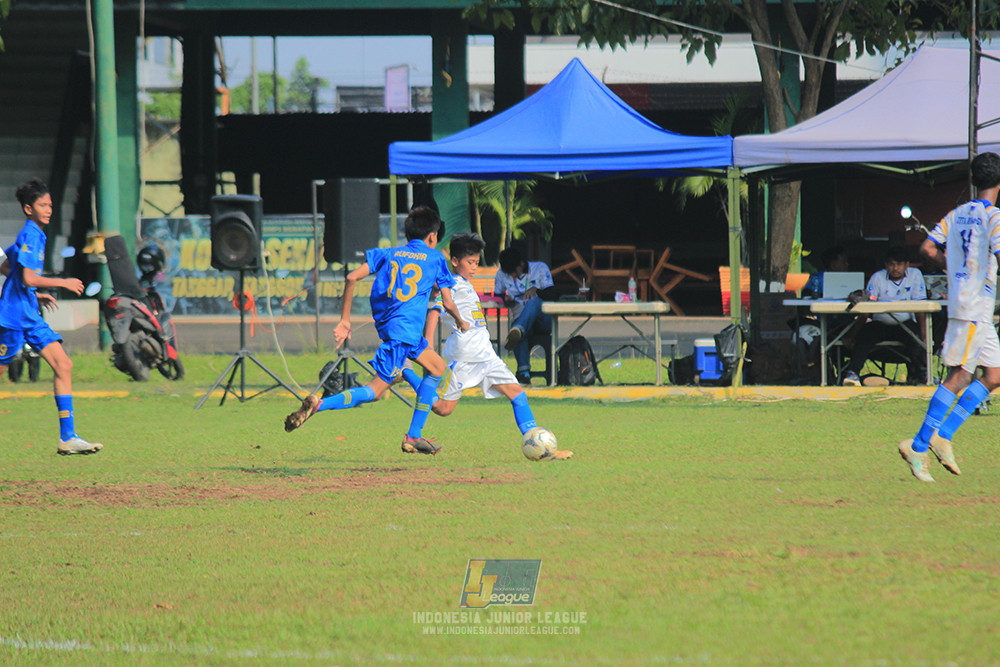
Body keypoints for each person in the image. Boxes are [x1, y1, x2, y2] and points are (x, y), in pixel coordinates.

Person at [283, 205, 469, 455]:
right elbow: (447, 301)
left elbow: (351, 278)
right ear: (433, 237)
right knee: (375, 391)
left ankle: (414, 432)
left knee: (437, 366)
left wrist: (345, 321)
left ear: (407, 234)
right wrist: (460, 319)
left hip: (402, 333)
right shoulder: (436, 258)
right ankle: (319, 405)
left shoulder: (389, 253)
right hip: (404, 335)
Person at [414, 233, 571, 460]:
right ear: (455, 261)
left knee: (518, 395)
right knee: (443, 409)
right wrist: (428, 346)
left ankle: (540, 448)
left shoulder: (466, 283)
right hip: (463, 355)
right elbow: (435, 312)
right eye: (470, 263)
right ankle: (406, 373)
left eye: (477, 263)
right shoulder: (450, 284)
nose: (474, 268)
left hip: (486, 354)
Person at [899, 152, 1000, 482]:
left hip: (975, 308)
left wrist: (955, 267)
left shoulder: (957, 214)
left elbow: (927, 250)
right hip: (972, 306)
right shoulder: (993, 217)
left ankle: (943, 435)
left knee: (995, 374)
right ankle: (918, 445)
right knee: (959, 377)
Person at [0, 178, 102, 455]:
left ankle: (67, 437)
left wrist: (33, 293)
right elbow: (29, 276)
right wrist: (62, 283)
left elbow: (8, 266)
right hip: (13, 317)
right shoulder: (31, 234)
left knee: (63, 365)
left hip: (28, 313)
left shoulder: (35, 234)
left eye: (50, 205)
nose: (48, 209)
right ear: (28, 208)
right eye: (42, 205)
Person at [840, 246, 927, 386]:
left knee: (917, 339)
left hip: (905, 324)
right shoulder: (877, 277)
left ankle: (922, 376)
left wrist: (924, 335)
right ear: (886, 265)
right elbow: (866, 309)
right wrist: (853, 334)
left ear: (907, 265)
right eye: (891, 264)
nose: (895, 268)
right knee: (865, 335)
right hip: (881, 324)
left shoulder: (915, 275)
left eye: (899, 264)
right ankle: (853, 373)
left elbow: (921, 307)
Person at [493, 248, 555, 385]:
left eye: (514, 272)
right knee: (518, 332)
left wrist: (537, 291)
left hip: (542, 320)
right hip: (519, 315)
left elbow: (552, 294)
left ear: (521, 264)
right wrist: (506, 299)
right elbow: (498, 295)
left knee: (533, 301)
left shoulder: (539, 268)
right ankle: (523, 373)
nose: (512, 276)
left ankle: (519, 329)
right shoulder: (502, 273)